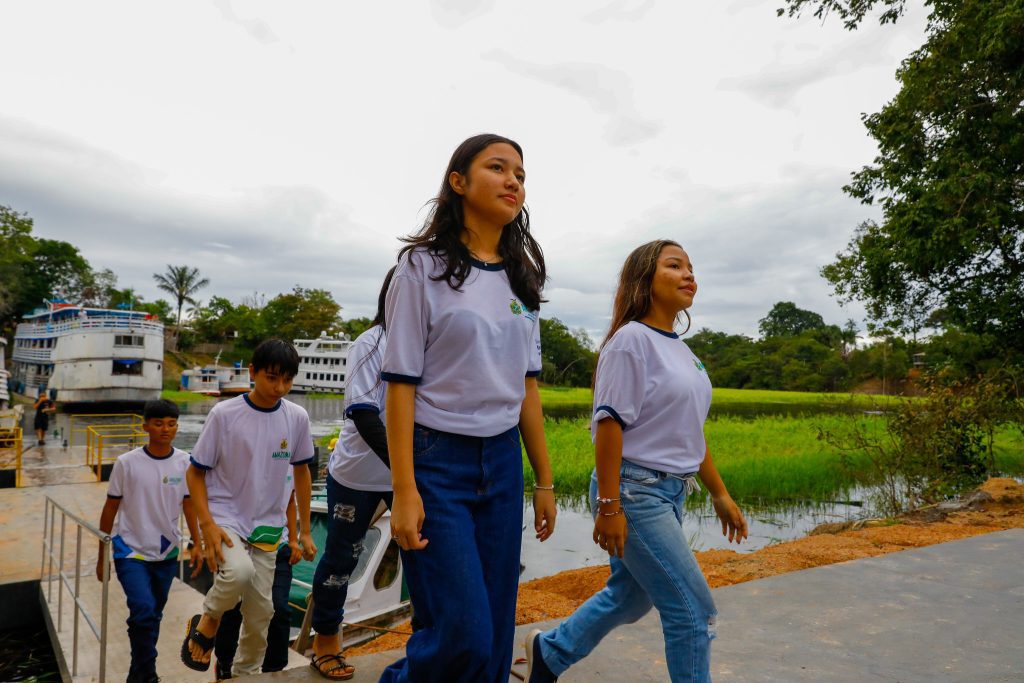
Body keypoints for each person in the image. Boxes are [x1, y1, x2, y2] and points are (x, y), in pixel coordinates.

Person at [524, 240, 749, 683]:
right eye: (674, 265)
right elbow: (609, 426)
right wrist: (610, 507)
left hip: (670, 491)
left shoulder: (684, 352)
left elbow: (690, 432)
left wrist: (719, 493)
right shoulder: (631, 342)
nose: (689, 274)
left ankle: (549, 655)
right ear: (644, 279)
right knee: (692, 611)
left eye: (691, 267)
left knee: (630, 598)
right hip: (634, 490)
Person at [380, 133, 557, 683]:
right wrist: (405, 490)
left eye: (521, 175)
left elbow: (526, 387)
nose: (513, 181)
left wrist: (544, 481)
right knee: (463, 633)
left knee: (496, 635)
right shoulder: (421, 268)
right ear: (458, 182)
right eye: (498, 168)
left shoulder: (521, 277)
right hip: (438, 462)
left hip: (502, 463)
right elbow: (400, 386)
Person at [181, 339, 317, 676]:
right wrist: (207, 525)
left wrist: (304, 530)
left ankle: (245, 673)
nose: (280, 388)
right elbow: (195, 472)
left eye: (287, 380)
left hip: (269, 526)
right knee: (238, 573)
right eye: (272, 378)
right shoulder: (224, 414)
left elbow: (301, 472)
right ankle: (209, 618)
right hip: (226, 517)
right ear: (252, 372)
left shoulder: (296, 417)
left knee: (262, 614)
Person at [308, 267, 396, 680]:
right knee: (343, 557)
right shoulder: (371, 342)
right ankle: (327, 640)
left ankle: (429, 642)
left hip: (408, 475)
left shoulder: (431, 343)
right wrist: (406, 468)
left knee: (425, 554)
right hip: (359, 474)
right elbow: (363, 412)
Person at [95, 399, 202, 683]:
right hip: (129, 550)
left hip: (166, 553)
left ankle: (136, 673)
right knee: (142, 611)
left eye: (171, 424)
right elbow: (110, 508)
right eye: (158, 423)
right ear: (146, 426)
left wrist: (197, 542)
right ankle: (149, 674)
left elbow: (190, 506)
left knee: (152, 615)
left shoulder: (185, 462)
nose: (165, 429)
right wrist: (101, 554)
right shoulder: (126, 463)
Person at [212, 486, 301, 680]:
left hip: (278, 545)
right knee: (233, 608)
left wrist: (295, 539)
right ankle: (225, 664)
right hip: (239, 542)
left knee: (278, 609)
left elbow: (289, 499)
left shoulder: (291, 461)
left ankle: (274, 672)